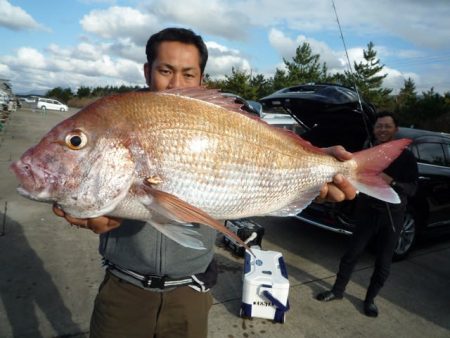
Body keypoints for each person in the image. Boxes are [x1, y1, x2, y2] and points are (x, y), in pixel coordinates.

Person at [53, 27, 358, 338]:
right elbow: (78, 176)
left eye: (188, 74)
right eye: (165, 70)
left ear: (201, 80)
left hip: (191, 293)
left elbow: (261, 173)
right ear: (147, 71)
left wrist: (314, 173)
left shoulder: (223, 121)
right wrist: (74, 205)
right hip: (123, 288)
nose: (175, 83)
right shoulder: (116, 118)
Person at [315, 111, 418, 318]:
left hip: (392, 215)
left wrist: (391, 182)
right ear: (373, 129)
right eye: (379, 126)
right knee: (351, 254)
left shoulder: (406, 156)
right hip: (367, 211)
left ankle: (370, 300)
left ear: (395, 129)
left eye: (387, 126)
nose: (382, 130)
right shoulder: (366, 150)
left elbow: (413, 189)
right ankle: (337, 291)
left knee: (383, 261)